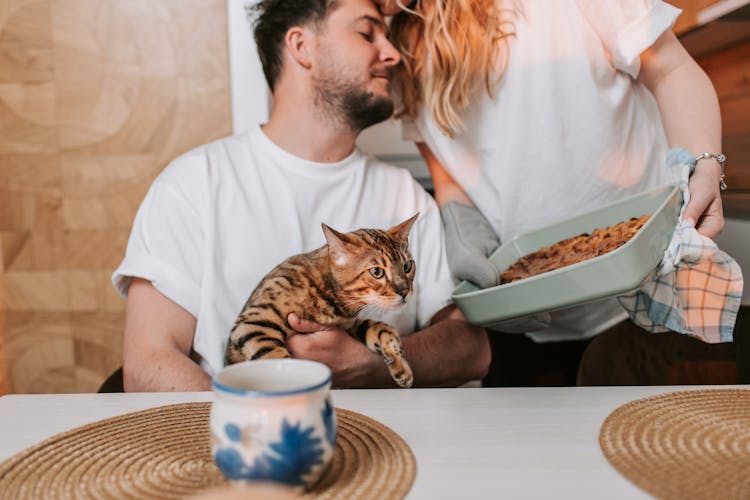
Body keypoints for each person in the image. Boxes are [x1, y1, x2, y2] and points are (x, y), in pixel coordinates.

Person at [112, 0, 490, 392]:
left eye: (389, 38)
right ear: (301, 46)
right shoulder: (192, 185)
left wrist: (369, 365)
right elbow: (147, 366)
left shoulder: (405, 199)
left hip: (388, 445)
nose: (393, 54)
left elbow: (473, 350)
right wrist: (263, 432)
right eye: (366, 32)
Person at [375, 0, 734, 385]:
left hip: (653, 290)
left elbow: (670, 70)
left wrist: (705, 163)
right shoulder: (395, 58)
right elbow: (449, 178)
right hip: (525, 316)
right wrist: (467, 241)